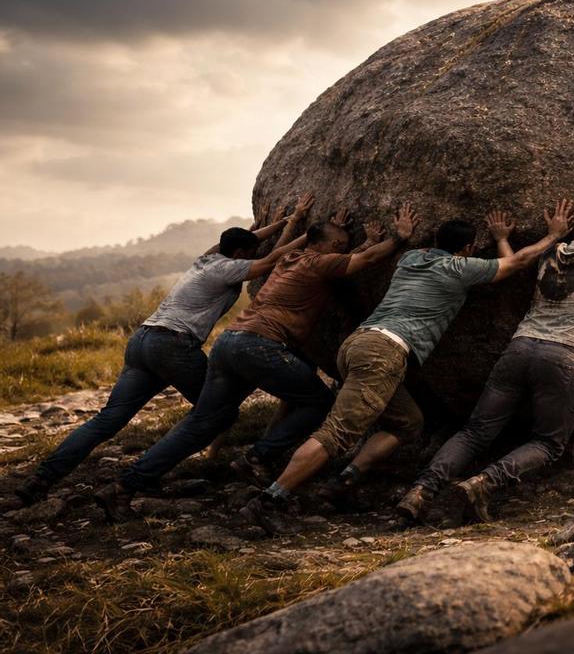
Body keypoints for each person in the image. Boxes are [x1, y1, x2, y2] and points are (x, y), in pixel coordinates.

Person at [239, 201, 574, 532]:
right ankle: (272, 499)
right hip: (384, 352)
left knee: (408, 422)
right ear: (469, 248)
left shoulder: (411, 258)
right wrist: (548, 236)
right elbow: (515, 263)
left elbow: (379, 253)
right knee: (337, 432)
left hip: (358, 344)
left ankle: (343, 482)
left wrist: (400, 234)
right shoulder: (460, 268)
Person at [92, 205, 418, 521]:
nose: (344, 250)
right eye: (341, 245)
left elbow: (347, 255)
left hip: (229, 343)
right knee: (318, 402)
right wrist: (398, 237)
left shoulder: (290, 259)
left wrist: (342, 236)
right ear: (332, 246)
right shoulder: (319, 264)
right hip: (259, 346)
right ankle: (257, 457)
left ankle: (123, 486)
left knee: (201, 423)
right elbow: (366, 259)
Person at [396, 196, 574, 525]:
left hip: (519, 348)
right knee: (549, 442)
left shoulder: (550, 252)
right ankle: (483, 483)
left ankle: (420, 490)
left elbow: (529, 258)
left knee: (475, 431)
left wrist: (517, 237)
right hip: (563, 355)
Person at [10, 196, 313, 507]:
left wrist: (281, 223)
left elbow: (252, 240)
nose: (253, 254)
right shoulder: (228, 269)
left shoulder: (206, 258)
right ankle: (135, 480)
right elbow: (271, 260)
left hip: (142, 340)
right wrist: (304, 229)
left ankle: (40, 479)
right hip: (173, 346)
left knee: (107, 420)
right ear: (238, 255)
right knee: (216, 413)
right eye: (248, 253)